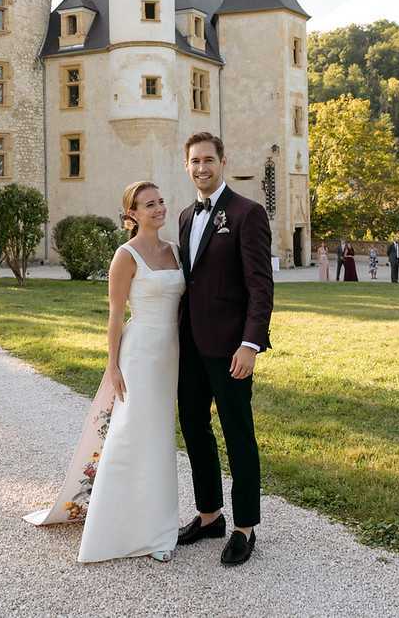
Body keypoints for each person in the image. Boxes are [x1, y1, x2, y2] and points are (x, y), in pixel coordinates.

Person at [24, 181, 183, 564]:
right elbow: (114, 315)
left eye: (161, 202)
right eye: (149, 205)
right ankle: (113, 530)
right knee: (130, 435)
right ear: (132, 214)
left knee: (161, 437)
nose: (159, 209)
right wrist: (112, 363)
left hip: (171, 354)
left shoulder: (175, 251)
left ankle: (158, 526)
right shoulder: (125, 256)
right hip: (140, 354)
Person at [176, 132, 273, 567]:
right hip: (190, 348)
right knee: (194, 428)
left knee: (238, 435)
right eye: (195, 161)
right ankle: (210, 514)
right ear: (187, 166)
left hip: (232, 348)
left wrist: (250, 344)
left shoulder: (247, 213)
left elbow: (260, 286)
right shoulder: (183, 216)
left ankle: (245, 526)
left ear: (223, 161)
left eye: (208, 160)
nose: (202, 168)